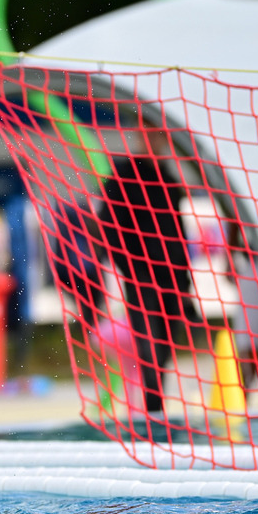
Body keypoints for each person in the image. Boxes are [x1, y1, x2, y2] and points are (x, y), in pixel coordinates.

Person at [96, 129, 201, 416]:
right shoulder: (125, 175)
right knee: (148, 345)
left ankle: (156, 408)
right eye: (151, 135)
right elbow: (108, 225)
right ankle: (153, 407)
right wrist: (129, 266)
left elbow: (179, 236)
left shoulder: (168, 180)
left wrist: (186, 287)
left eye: (160, 137)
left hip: (172, 278)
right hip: (140, 274)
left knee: (164, 348)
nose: (156, 142)